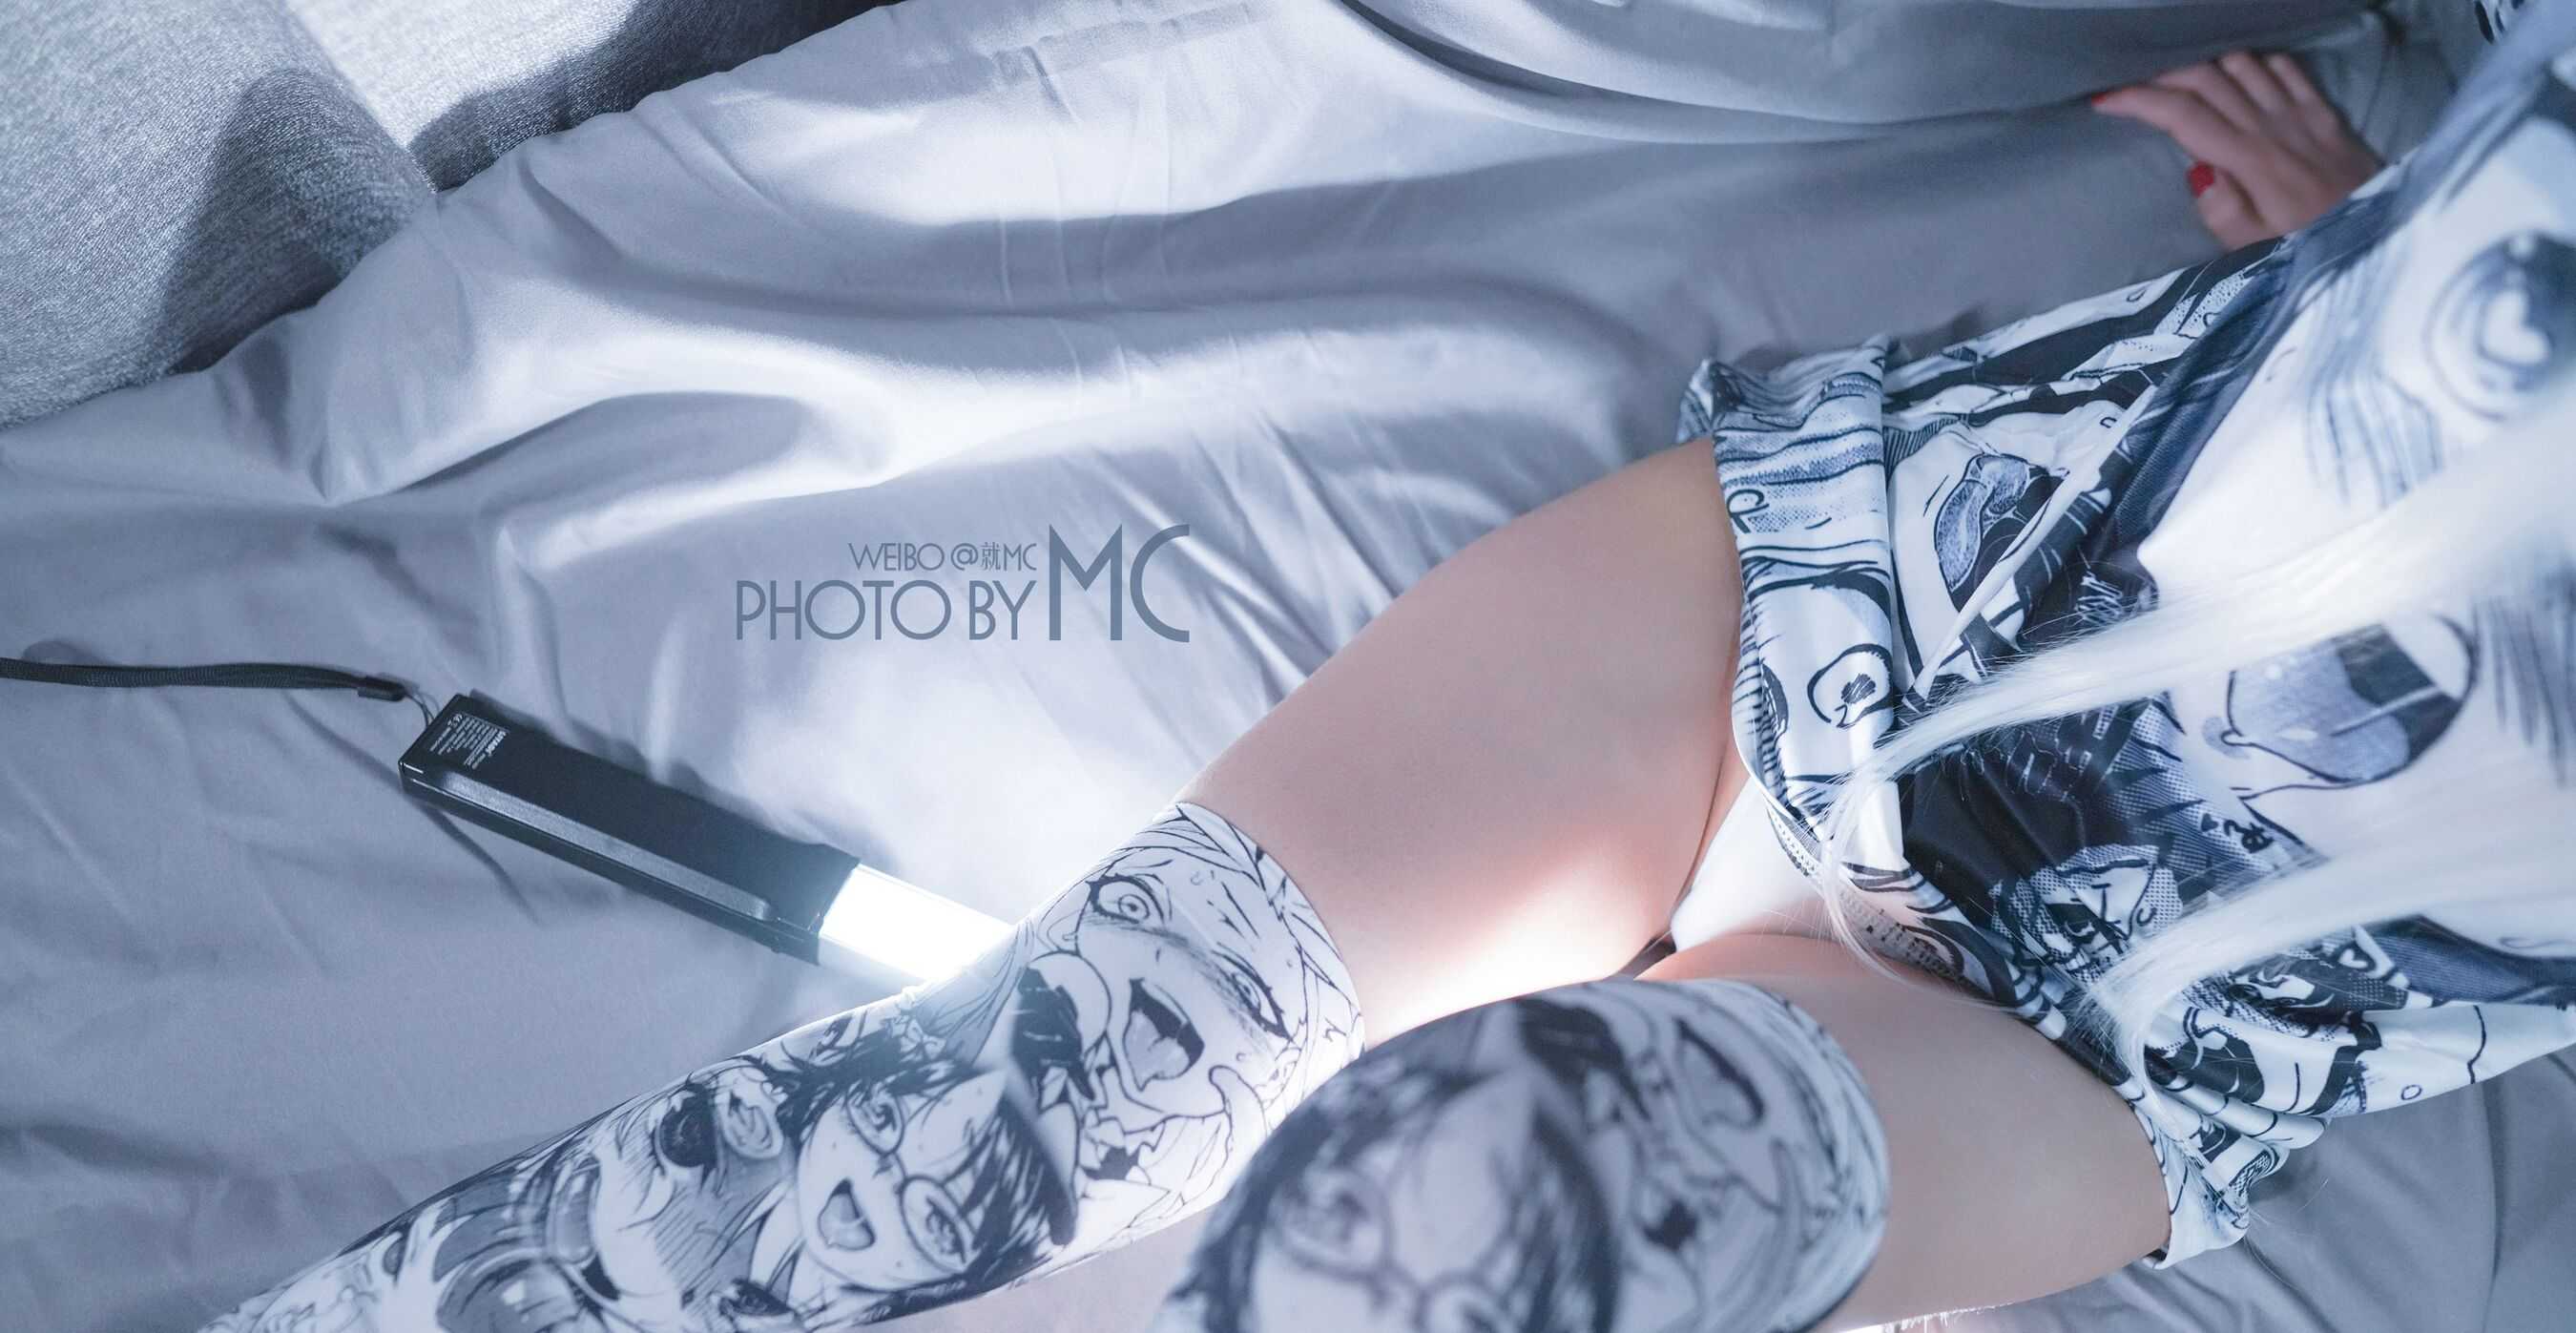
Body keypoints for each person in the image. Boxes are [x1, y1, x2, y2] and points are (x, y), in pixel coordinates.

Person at [206, 10, 2575, 1332]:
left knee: (1458, 1215)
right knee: (1011, 1102)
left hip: (2137, 1040)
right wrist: (2385, 261)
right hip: (1855, 577)